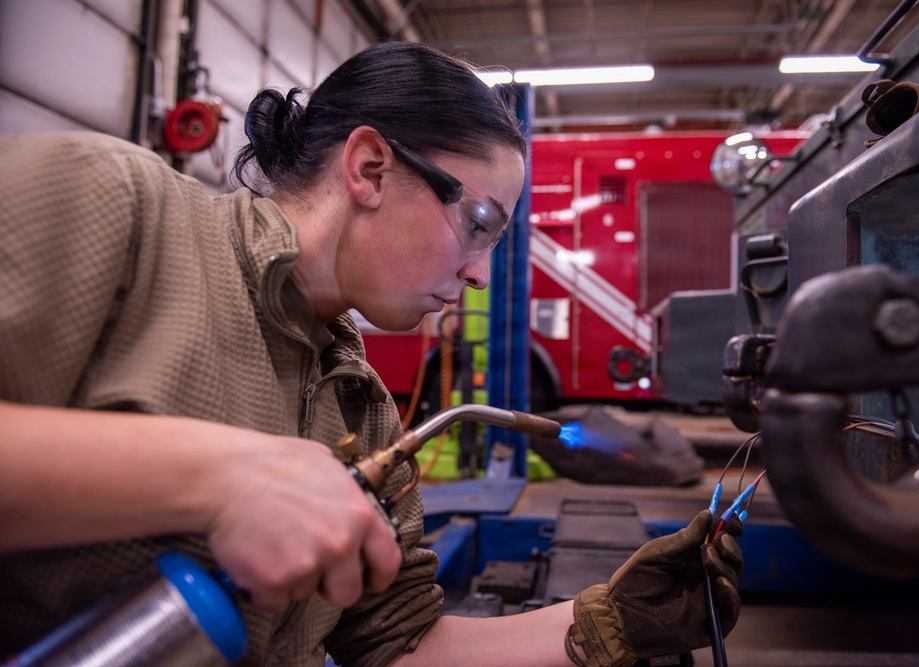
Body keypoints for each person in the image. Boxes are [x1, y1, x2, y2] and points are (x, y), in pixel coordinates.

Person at [0, 40, 742, 667]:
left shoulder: (361, 408)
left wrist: (601, 623)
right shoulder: (109, 207)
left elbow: (400, 644)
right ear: (369, 168)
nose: (482, 272)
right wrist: (215, 476)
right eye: (478, 222)